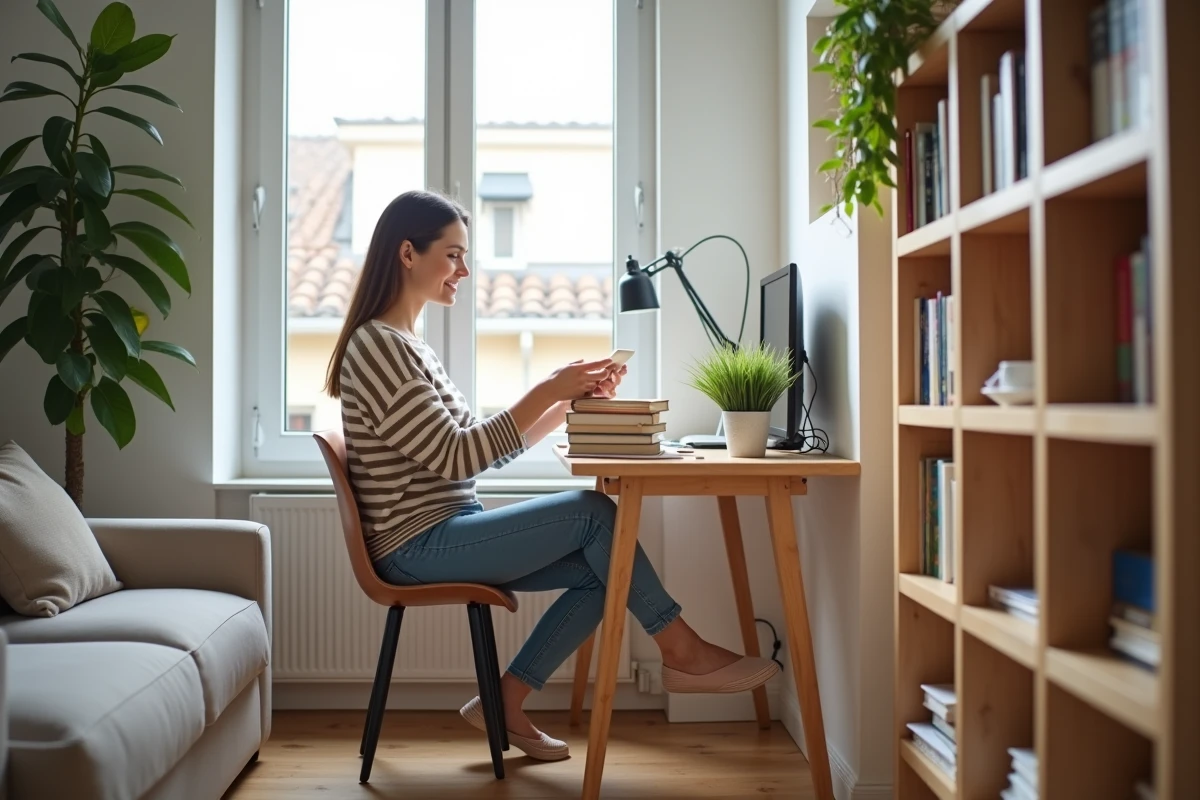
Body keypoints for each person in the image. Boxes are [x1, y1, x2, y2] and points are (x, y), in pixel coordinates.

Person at [324, 189, 779, 762]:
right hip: (415, 545)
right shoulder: (379, 347)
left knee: (604, 569)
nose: (464, 270)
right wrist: (549, 388)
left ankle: (505, 701)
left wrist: (568, 404)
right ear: (408, 253)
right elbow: (458, 456)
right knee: (595, 516)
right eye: (454, 255)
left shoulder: (411, 345)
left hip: (444, 528)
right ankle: (682, 650)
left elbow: (482, 450)